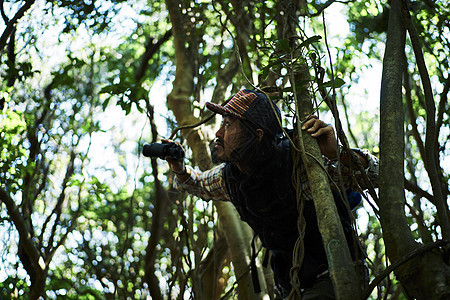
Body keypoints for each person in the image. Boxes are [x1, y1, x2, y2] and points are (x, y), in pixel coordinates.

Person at [163, 89, 378, 299]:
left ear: (256, 135)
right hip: (290, 286)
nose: (219, 133)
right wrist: (179, 168)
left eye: (228, 124)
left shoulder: (298, 163)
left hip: (336, 274)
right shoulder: (231, 178)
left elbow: (377, 176)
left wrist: (339, 153)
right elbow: (199, 184)